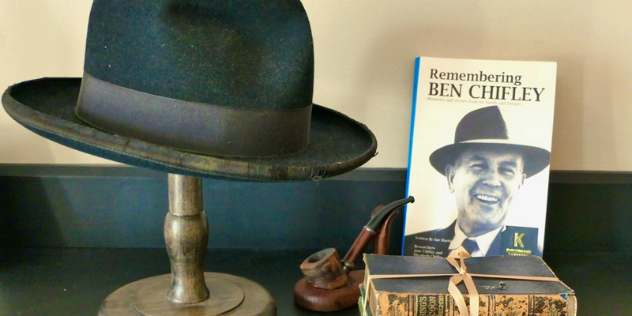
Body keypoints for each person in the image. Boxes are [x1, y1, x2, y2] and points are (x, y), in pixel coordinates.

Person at [404, 106, 550, 257]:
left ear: (520, 182)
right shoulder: (412, 248)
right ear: (451, 177)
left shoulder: (535, 260)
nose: (493, 181)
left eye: (507, 170)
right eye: (478, 166)